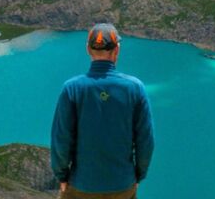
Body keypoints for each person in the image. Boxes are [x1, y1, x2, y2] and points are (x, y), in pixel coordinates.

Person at [50, 23, 155, 199]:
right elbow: (146, 140)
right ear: (117, 50)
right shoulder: (135, 88)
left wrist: (62, 175)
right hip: (123, 185)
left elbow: (61, 139)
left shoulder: (72, 88)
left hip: (81, 186)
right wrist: (138, 174)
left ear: (87, 49)